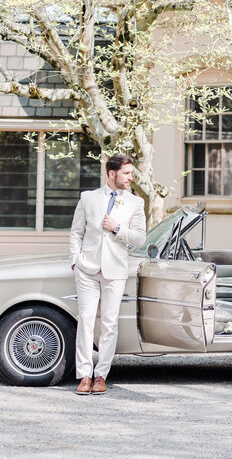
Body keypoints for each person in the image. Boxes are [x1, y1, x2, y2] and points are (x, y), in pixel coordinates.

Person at [68, 153, 146, 395]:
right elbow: (76, 233)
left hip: (115, 270)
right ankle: (84, 375)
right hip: (88, 269)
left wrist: (117, 228)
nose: (130, 177)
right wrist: (75, 261)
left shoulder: (135, 203)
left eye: (131, 173)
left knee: (109, 324)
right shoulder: (88, 198)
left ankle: (101, 375)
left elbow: (140, 237)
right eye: (126, 173)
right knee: (86, 322)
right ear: (111, 174)